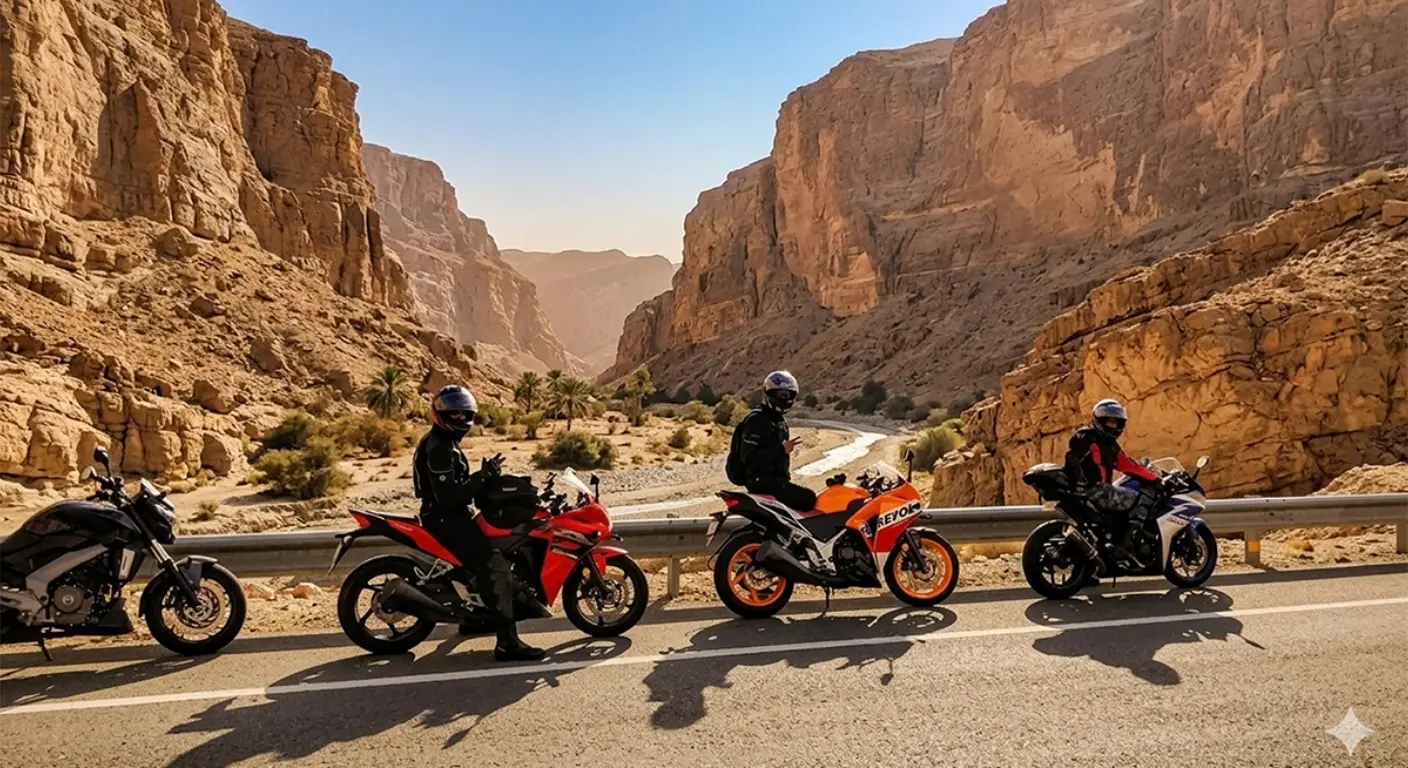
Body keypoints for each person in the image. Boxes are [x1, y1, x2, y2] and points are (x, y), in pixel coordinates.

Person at [413, 385, 545, 662]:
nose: (461, 419)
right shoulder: (439, 447)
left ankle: (476, 618)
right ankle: (507, 643)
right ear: (440, 414)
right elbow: (449, 497)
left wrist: (486, 476)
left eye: (465, 414)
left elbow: (457, 486)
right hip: (446, 518)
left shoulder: (444, 441)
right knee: (496, 568)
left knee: (480, 563)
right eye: (455, 413)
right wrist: (482, 478)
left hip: (449, 515)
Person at [1063, 398, 1162, 566]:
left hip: (1088, 491)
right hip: (1096, 490)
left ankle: (1101, 555)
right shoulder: (1088, 438)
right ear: (1099, 421)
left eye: (1116, 423)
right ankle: (1127, 545)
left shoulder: (1108, 444)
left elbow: (1128, 465)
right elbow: (1072, 459)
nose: (1113, 426)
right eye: (1110, 422)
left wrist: (1151, 476)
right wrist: (1156, 480)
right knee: (1141, 497)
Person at [727, 371, 818, 512]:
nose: (786, 398)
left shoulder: (778, 421)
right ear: (770, 394)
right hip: (761, 482)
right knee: (808, 498)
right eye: (782, 395)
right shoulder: (757, 420)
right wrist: (781, 450)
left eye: (789, 395)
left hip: (774, 482)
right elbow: (749, 458)